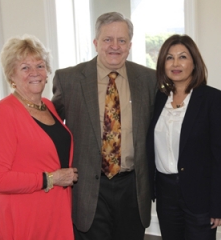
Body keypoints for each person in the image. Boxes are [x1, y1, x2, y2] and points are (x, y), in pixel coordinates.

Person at [52, 12, 156, 240]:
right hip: (88, 187)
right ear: (96, 42)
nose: (115, 46)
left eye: (122, 40)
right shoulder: (69, 80)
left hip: (133, 186)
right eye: (108, 39)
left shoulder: (149, 79)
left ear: (130, 44)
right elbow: (51, 129)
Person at [0, 35, 78, 240]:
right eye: (25, 68)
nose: (34, 73)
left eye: (39, 65)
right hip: (24, 215)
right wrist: (51, 178)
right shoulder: (4, 112)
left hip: (56, 210)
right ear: (11, 75)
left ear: (47, 73)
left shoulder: (48, 105)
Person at [146, 34, 221, 240]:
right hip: (166, 194)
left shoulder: (214, 99)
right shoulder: (158, 99)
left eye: (183, 57)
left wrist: (219, 205)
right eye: (169, 57)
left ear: (194, 62)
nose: (175, 63)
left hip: (200, 196)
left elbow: (220, 156)